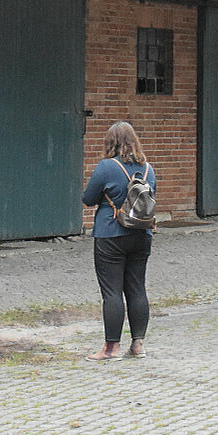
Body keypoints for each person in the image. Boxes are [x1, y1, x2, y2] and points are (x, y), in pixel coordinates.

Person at [80, 121, 156, 361]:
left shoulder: (106, 167)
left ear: (110, 143)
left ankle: (111, 349)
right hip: (142, 234)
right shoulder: (147, 169)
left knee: (112, 291)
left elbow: (89, 199)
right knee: (137, 288)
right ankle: (138, 345)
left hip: (111, 234)